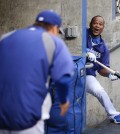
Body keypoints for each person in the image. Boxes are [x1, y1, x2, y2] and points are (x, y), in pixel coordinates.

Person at [0, 10, 74, 134]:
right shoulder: (53, 41)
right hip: (29, 116)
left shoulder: (6, 37)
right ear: (55, 28)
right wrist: (63, 101)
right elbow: (63, 78)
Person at [86, 15, 120, 124]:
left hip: (87, 75)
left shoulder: (104, 47)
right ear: (91, 24)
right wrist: (86, 51)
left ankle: (113, 115)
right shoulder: (84, 34)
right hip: (72, 71)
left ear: (103, 28)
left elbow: (102, 69)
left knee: (100, 91)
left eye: (100, 24)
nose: (97, 26)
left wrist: (110, 74)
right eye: (95, 23)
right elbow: (72, 45)